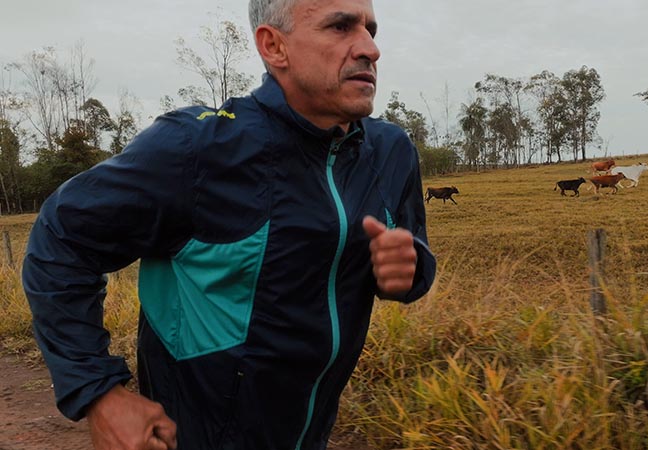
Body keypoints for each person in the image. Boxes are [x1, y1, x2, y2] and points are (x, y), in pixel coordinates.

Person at [22, 0, 436, 448]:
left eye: (371, 30)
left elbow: (410, 259)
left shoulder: (390, 152)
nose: (370, 49)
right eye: (340, 27)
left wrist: (408, 272)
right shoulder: (197, 149)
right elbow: (60, 240)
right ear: (273, 46)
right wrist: (100, 393)